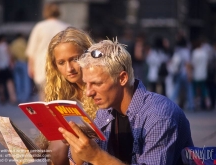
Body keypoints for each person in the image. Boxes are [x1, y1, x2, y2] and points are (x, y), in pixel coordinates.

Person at [59, 39, 194, 165]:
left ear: (123, 78)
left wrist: (96, 156)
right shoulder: (105, 112)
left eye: (97, 83)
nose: (88, 93)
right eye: (86, 84)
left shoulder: (159, 116)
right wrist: (77, 144)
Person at [34, 27, 97, 165]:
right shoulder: (60, 92)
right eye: (61, 63)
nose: (69, 69)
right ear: (54, 65)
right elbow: (51, 137)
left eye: (74, 59)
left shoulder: (101, 86)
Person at [25, 2, 69, 101]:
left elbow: (32, 49)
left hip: (41, 64)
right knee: (59, 93)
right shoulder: (66, 27)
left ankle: (46, 114)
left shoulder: (39, 27)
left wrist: (30, 66)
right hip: (60, 63)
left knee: (44, 93)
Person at [10, 33, 31, 102]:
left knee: (18, 81)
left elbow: (11, 54)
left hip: (16, 62)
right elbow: (29, 53)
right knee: (25, 81)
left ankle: (19, 97)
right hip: (24, 62)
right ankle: (25, 97)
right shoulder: (24, 43)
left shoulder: (13, 43)